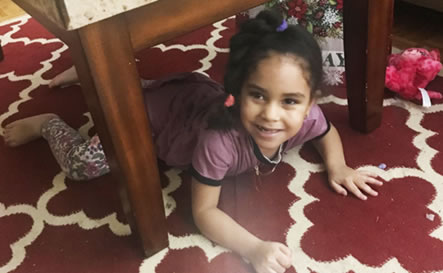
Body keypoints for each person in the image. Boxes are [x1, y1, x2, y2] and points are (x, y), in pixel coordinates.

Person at [3, 10, 383, 273]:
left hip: (187, 99)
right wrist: (253, 247)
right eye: (258, 95)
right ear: (236, 92)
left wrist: (339, 166)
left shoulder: (308, 117)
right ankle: (51, 120)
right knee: (83, 164)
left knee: (148, 94)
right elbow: (204, 213)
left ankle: (103, 75)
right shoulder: (218, 140)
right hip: (150, 122)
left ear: (310, 101)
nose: (271, 115)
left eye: (289, 101)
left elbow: (326, 132)